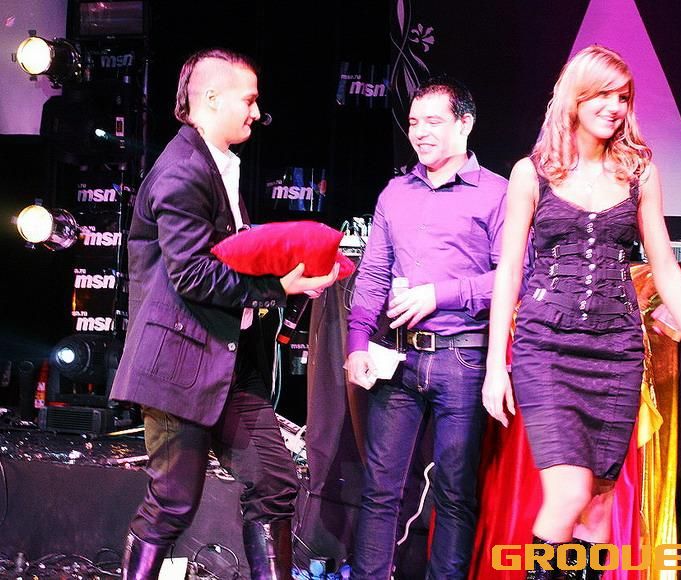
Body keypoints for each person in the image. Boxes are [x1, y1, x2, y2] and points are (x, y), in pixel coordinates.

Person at [481, 45, 681, 579]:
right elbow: (509, 272)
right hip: (546, 348)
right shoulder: (532, 173)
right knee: (568, 494)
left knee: (598, 505)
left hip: (617, 352)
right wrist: (493, 367)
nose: (614, 106)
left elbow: (666, 272)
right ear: (575, 97)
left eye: (623, 97)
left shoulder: (640, 173)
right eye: (602, 94)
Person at [110, 48, 338, 580]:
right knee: (173, 502)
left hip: (227, 365)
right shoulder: (183, 171)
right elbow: (191, 275)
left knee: (274, 481)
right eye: (249, 100)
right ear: (212, 98)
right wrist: (277, 287)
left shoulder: (216, 164)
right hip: (180, 367)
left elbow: (227, 258)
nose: (257, 112)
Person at [345, 75, 519, 579]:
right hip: (398, 356)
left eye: (433, 122)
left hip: (463, 355)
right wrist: (357, 342)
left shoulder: (498, 194)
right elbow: (373, 274)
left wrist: (439, 295)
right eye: (414, 122)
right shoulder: (395, 193)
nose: (420, 132)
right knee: (379, 489)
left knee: (455, 492)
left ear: (465, 124)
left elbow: (515, 276)